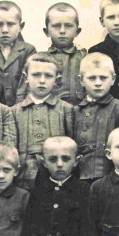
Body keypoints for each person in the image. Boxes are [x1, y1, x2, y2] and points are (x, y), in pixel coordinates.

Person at [23, 137, 95, 236]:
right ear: (43, 161)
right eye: (53, 159)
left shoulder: (84, 191)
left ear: (76, 161)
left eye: (66, 158)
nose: (60, 164)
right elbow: (30, 231)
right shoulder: (38, 192)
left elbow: (89, 232)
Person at [70, 52, 119, 183]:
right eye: (92, 78)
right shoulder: (74, 111)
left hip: (109, 177)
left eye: (103, 78)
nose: (98, 83)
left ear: (113, 79)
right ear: (81, 80)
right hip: (79, 177)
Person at [13, 53, 74, 188]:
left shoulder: (66, 109)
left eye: (48, 76)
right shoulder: (13, 111)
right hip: (22, 179)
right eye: (36, 75)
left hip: (57, 178)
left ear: (56, 80)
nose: (42, 80)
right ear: (25, 77)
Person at [0, 1, 35, 107]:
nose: (4, 30)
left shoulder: (28, 51)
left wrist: (19, 108)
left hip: (20, 107)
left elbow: (26, 83)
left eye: (10, 24)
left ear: (21, 27)